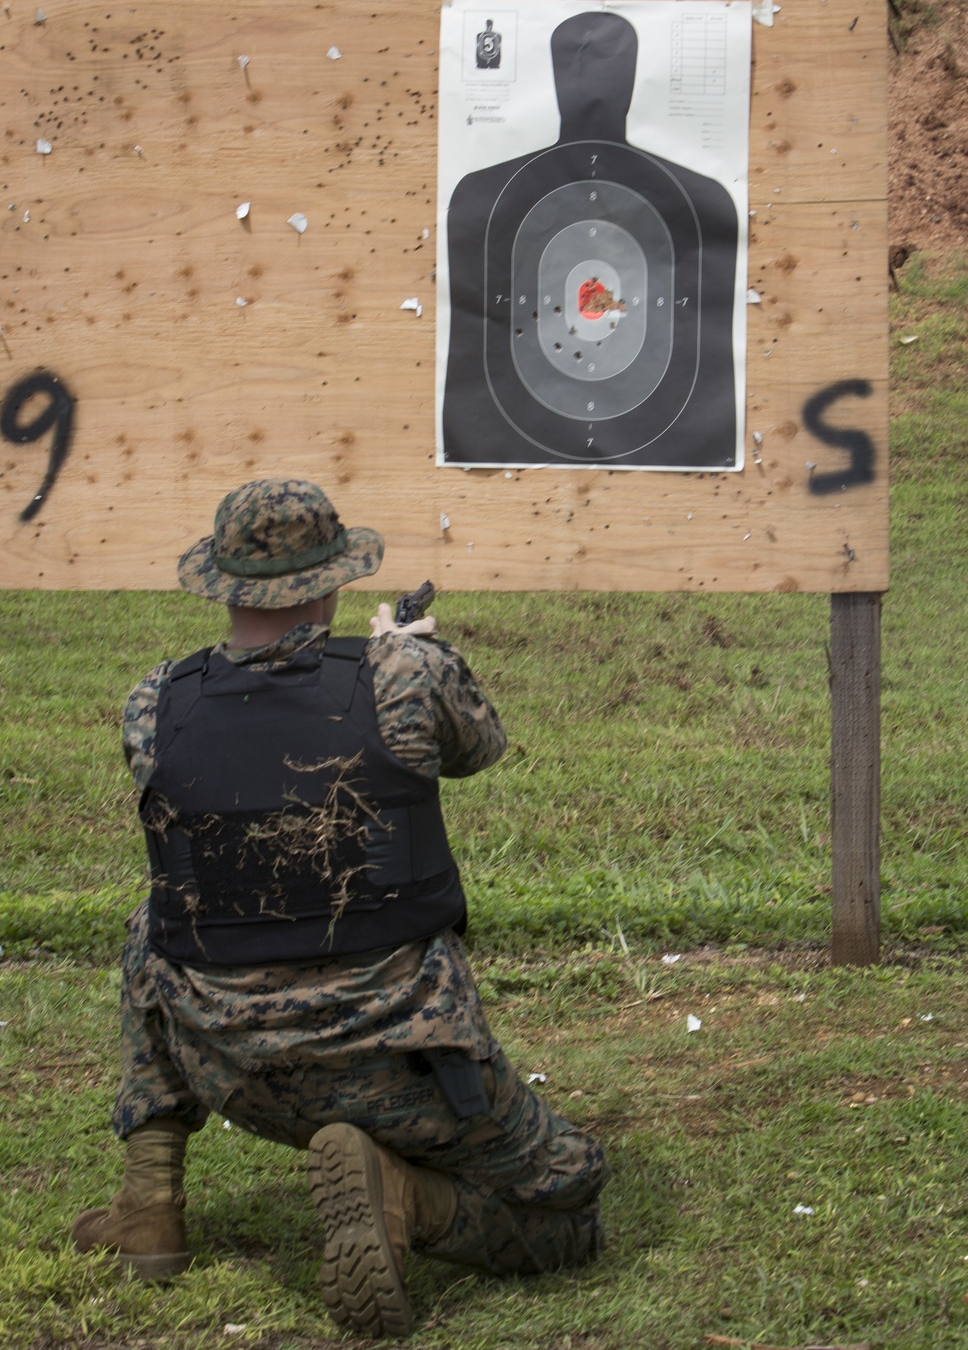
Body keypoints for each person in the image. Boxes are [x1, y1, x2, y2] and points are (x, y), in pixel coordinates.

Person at [72, 478, 606, 1338]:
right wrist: (400, 651)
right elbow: (480, 746)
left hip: (230, 1066)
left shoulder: (152, 704)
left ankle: (149, 1198)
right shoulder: (404, 674)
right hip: (403, 1062)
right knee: (576, 1200)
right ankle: (412, 1199)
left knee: (158, 915)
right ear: (331, 580)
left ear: (224, 581)